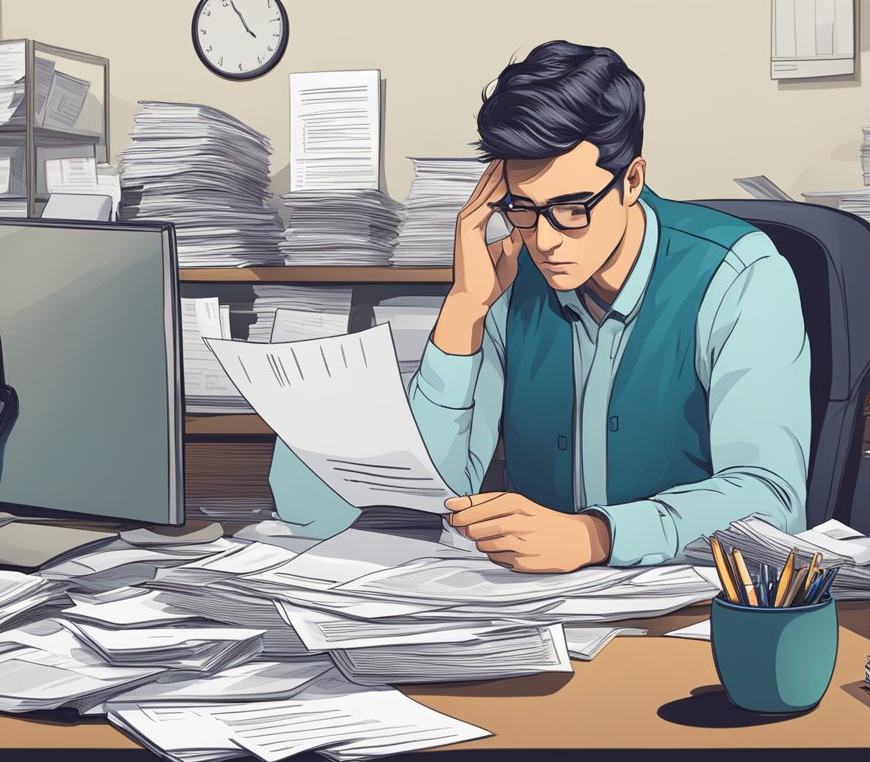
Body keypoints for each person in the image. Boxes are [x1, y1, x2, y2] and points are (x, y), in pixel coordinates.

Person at [267, 40, 810, 573]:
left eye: (572, 209)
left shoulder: (740, 275)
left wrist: (596, 536)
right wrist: (464, 310)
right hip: (539, 606)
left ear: (632, 181)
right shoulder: (507, 280)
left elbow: (772, 499)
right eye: (522, 209)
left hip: (690, 609)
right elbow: (426, 494)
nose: (545, 240)